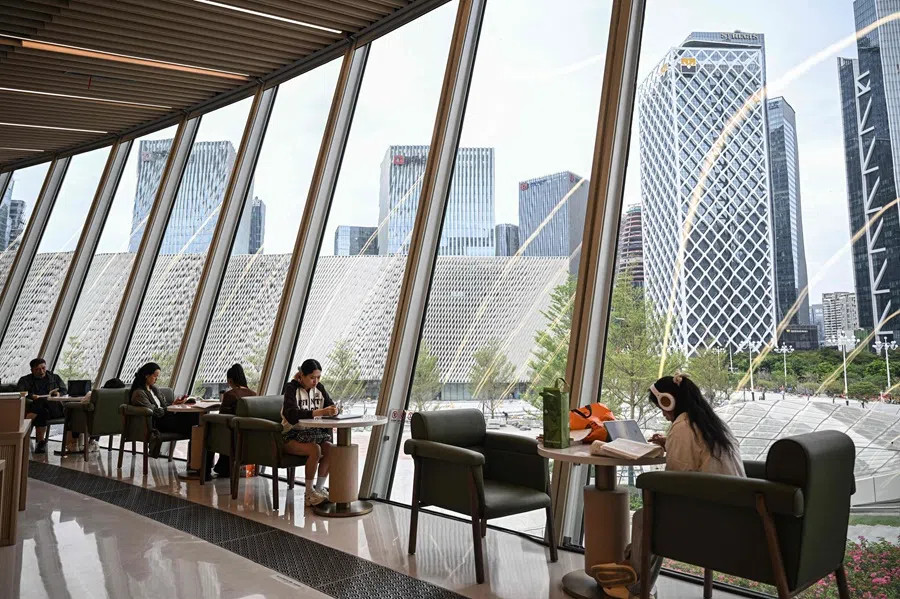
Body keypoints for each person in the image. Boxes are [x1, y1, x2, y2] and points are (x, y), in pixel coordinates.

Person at [591, 374, 746, 599]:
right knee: (651, 517)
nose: (663, 414)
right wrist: (668, 444)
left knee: (645, 518)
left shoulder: (682, 427)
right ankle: (629, 567)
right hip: (733, 510)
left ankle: (633, 583)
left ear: (668, 401)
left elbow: (675, 480)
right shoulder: (710, 422)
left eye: (662, 407)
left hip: (713, 517)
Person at [282, 358, 336, 507]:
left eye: (318, 377)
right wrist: (321, 411)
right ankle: (309, 492)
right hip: (290, 435)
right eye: (312, 378)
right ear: (302, 375)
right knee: (315, 449)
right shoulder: (291, 388)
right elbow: (292, 415)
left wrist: (333, 410)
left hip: (312, 434)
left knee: (330, 448)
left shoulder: (320, 388)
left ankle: (319, 488)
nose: (316, 381)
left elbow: (329, 404)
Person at [129, 362, 191, 459]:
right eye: (155, 376)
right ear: (147, 375)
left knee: (195, 420)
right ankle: (196, 462)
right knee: (195, 426)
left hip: (166, 418)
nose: (156, 379)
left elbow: (163, 406)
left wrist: (173, 405)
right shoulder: (139, 394)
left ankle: (195, 463)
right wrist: (169, 409)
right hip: (158, 423)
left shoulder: (154, 389)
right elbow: (155, 412)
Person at [213, 364, 256, 477]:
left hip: (231, 435)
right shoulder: (254, 394)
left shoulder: (230, 395)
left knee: (207, 431)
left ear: (230, 380)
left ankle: (205, 471)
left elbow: (222, 416)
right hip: (250, 436)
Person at [19, 358, 70, 455]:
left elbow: (64, 390)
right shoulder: (25, 380)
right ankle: (41, 443)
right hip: (42, 411)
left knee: (41, 401)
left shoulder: (55, 378)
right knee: (42, 411)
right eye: (38, 369)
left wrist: (58, 393)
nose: (41, 371)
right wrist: (31, 396)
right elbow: (21, 393)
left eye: (43, 368)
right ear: (32, 370)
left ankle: (27, 424)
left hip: (55, 409)